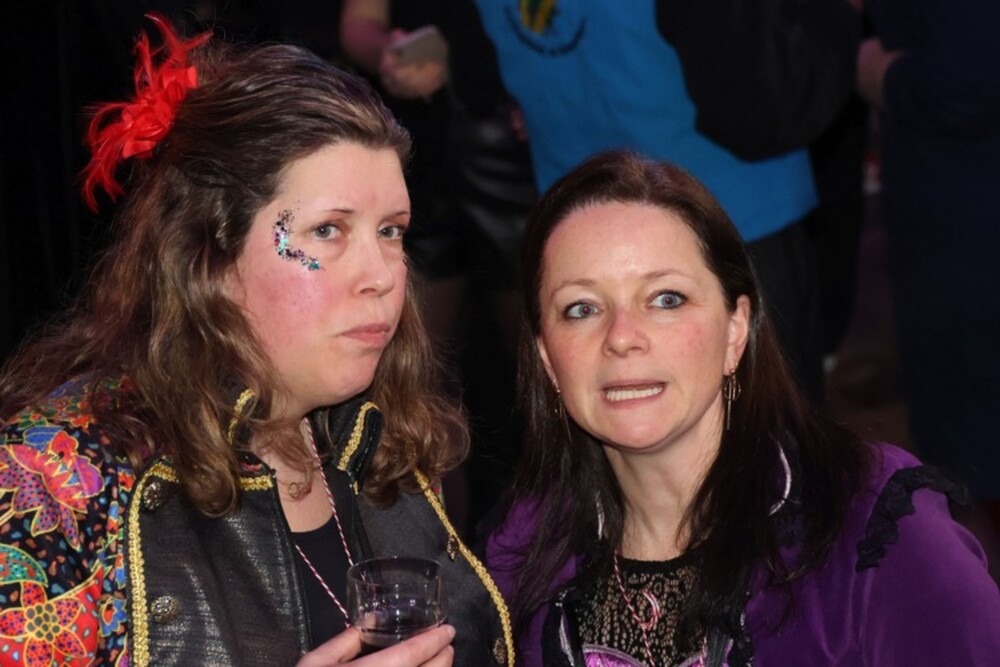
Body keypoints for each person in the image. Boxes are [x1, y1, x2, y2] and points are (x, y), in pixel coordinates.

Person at [0, 16, 513, 666]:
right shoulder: (53, 479)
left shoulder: (384, 449)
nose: (383, 276)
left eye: (391, 231)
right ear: (209, 256)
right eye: (328, 230)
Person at [485, 150, 1000, 666]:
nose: (622, 337)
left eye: (666, 299)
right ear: (548, 360)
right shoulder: (524, 549)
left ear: (735, 332)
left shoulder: (872, 528)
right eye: (582, 308)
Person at [472, 0, 863, 403]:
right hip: (729, 232)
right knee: (764, 429)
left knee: (617, 420)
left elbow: (479, 80)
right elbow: (766, 106)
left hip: (583, 239)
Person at [856, 0, 1000, 547]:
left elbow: (966, 86)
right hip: (956, 197)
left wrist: (880, 73)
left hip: (966, 209)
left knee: (968, 429)